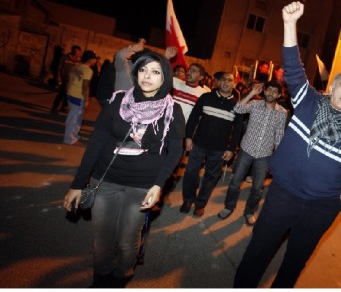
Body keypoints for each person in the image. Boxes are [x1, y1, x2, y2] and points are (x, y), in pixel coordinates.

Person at [234, 1, 341, 288]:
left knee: (295, 261)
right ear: (332, 88)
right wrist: (289, 23)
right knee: (259, 251)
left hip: (322, 207)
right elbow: (294, 69)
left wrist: (338, 201)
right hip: (284, 194)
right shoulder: (308, 102)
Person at [63, 51, 185, 288]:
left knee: (127, 242)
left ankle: (121, 276)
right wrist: (77, 183)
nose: (147, 76)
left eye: (155, 71)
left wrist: (159, 184)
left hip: (142, 185)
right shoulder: (118, 101)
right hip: (106, 180)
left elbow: (175, 151)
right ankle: (101, 278)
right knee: (101, 241)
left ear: (165, 77)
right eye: (142, 70)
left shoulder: (173, 111)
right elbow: (97, 142)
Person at [218, 80, 287, 226]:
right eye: (268, 90)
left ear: (279, 95)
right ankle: (229, 206)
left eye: (275, 91)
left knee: (257, 188)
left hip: (265, 155)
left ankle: (249, 211)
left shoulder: (282, 112)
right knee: (235, 183)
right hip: (246, 150)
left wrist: (276, 160)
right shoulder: (255, 105)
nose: (271, 93)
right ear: (264, 91)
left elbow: (279, 137)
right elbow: (237, 108)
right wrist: (251, 93)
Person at [180, 72, 244, 217]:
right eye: (223, 80)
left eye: (230, 80)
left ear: (234, 84)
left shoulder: (237, 106)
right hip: (199, 143)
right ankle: (188, 200)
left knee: (211, 177)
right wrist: (188, 137)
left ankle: (200, 204)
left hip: (220, 148)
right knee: (191, 172)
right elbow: (193, 117)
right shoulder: (206, 97)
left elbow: (237, 130)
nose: (226, 82)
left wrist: (231, 149)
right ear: (218, 82)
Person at [63, 50, 97, 145]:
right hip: (78, 96)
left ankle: (74, 136)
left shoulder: (76, 67)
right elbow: (85, 86)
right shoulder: (88, 70)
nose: (95, 61)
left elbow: (69, 79)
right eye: (94, 59)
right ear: (90, 60)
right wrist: (86, 100)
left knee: (76, 118)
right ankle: (69, 139)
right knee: (74, 119)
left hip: (71, 93)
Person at [51, 45, 82, 114]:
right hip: (65, 79)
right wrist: (58, 77)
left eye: (78, 52)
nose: (76, 54)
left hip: (73, 81)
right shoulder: (65, 58)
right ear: (72, 50)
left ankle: (64, 107)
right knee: (61, 93)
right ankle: (54, 107)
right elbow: (59, 68)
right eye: (75, 52)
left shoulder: (79, 61)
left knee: (69, 94)